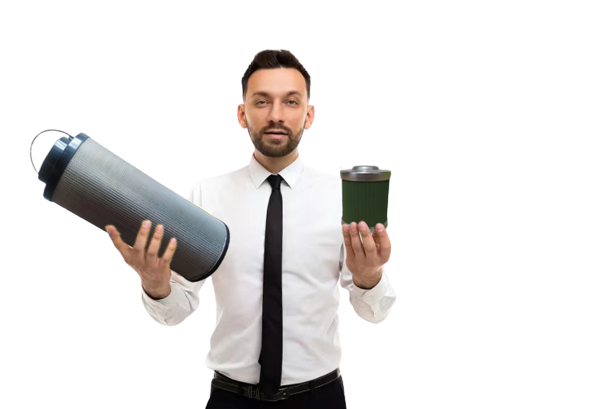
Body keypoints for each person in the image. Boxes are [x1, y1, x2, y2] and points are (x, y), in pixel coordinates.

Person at [105, 49, 397, 409]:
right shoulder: (206, 194)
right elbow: (175, 313)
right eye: (262, 102)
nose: (276, 115)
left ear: (309, 115)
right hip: (230, 399)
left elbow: (374, 313)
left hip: (320, 398)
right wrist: (155, 284)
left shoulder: (341, 196)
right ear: (242, 115)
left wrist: (369, 275)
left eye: (291, 102)